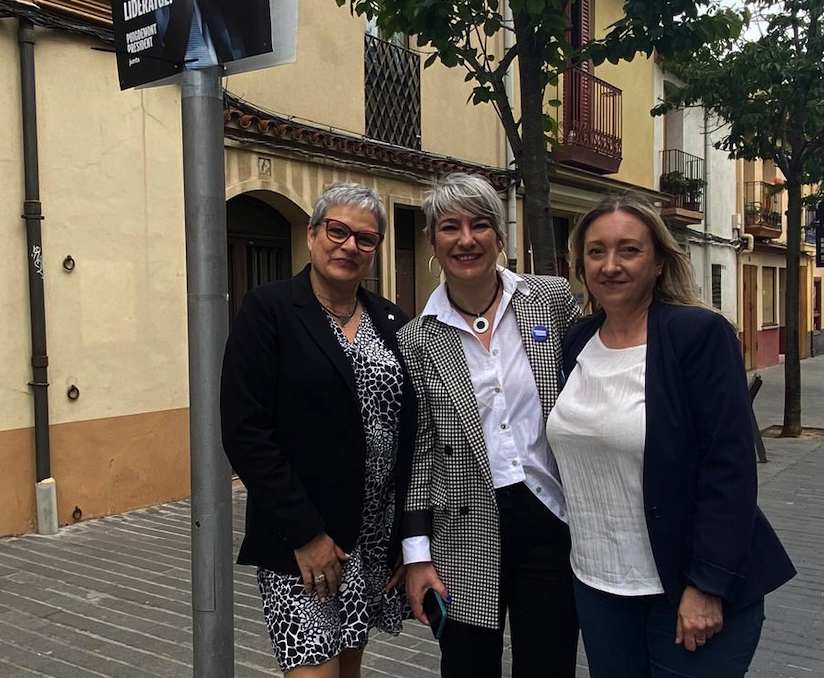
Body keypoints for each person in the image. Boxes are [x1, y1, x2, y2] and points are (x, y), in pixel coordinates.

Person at [545, 193, 796, 678]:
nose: (610, 265)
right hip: (599, 586)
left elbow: (730, 467)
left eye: (629, 250)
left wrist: (707, 586)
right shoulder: (577, 340)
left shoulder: (697, 334)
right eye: (596, 252)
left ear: (659, 261)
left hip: (685, 585)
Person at [220, 182, 415, 678]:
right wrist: (305, 532)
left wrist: (404, 539)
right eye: (338, 231)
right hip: (301, 540)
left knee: (348, 670)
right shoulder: (270, 310)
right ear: (312, 235)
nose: (349, 246)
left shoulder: (391, 321)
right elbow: (245, 431)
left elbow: (413, 431)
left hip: (370, 539)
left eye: (365, 239)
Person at [397, 173, 581, 678]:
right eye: (450, 227)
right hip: (462, 531)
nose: (466, 239)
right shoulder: (416, 340)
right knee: (467, 667)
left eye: (481, 225)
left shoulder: (550, 300)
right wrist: (416, 556)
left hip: (551, 519)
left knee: (548, 665)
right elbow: (419, 453)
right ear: (432, 240)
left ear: (500, 236)